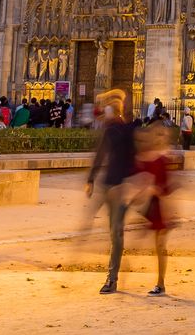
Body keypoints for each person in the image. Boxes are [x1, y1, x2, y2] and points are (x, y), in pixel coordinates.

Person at [84, 90, 137, 294]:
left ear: (114, 112)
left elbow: (134, 158)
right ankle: (115, 267)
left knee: (116, 231)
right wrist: (91, 179)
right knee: (112, 231)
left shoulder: (126, 131)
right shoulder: (111, 130)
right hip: (108, 184)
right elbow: (100, 154)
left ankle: (112, 278)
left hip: (120, 187)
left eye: (107, 110)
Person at [133, 121, 177, 296]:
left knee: (160, 246)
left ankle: (161, 283)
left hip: (162, 206)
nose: (159, 138)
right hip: (154, 206)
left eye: (162, 135)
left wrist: (154, 190)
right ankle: (160, 283)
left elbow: (166, 188)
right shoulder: (149, 159)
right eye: (157, 134)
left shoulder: (161, 160)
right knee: (157, 246)